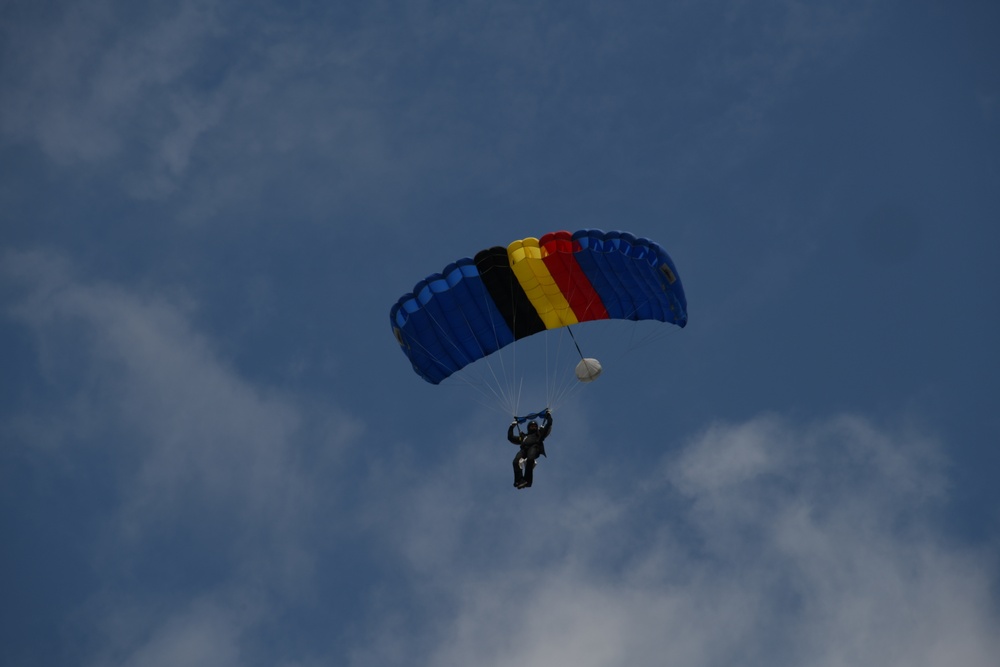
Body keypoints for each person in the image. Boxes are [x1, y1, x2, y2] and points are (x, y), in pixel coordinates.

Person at [507, 410, 552, 489]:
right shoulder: (524, 437)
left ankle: (527, 481)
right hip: (524, 450)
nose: (533, 427)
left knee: (530, 459)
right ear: (528, 428)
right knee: (515, 461)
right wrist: (511, 427)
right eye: (531, 426)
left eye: (535, 426)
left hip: (535, 447)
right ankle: (519, 480)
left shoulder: (540, 434)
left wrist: (548, 416)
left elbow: (549, 424)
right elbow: (510, 438)